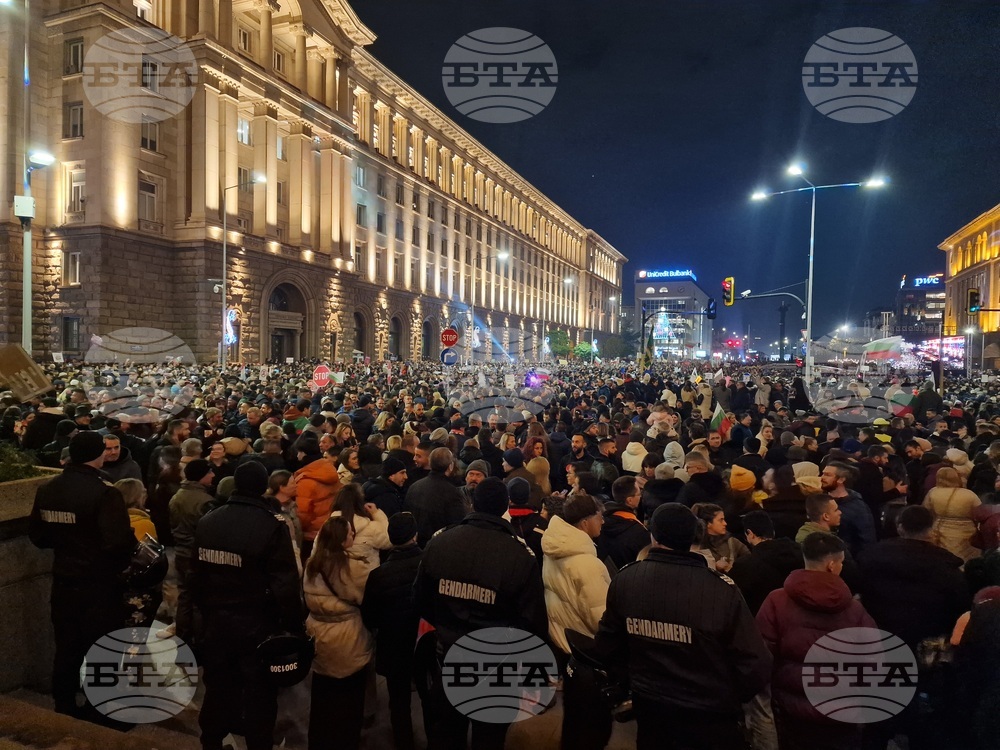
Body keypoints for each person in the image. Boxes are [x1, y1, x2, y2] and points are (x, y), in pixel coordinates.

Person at [594, 502, 772, 750]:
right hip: (709, 714)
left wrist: (632, 683)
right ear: (694, 536)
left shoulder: (626, 580)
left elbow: (607, 645)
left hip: (652, 708)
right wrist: (728, 698)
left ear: (654, 537)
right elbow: (755, 661)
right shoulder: (720, 589)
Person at [415, 477, 547, 750]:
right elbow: (532, 624)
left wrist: (447, 625)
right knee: (489, 739)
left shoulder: (440, 542)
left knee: (447, 736)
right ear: (505, 507)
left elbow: (421, 600)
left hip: (450, 657)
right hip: (496, 667)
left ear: (473, 504)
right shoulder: (520, 555)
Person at [190, 462, 305, 750]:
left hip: (216, 622)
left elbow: (195, 576)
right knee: (259, 694)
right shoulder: (271, 525)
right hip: (256, 626)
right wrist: (294, 627)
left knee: (217, 687)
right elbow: (285, 584)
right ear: (264, 486)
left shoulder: (209, 520)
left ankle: (211, 742)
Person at [29, 431, 135, 720]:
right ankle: (99, 710)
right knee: (103, 650)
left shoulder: (48, 489)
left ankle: (63, 705)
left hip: (64, 580)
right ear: (98, 455)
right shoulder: (105, 492)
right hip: (99, 585)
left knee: (66, 647)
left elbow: (38, 536)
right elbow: (117, 543)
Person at [858, 505, 971, 750]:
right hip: (925, 651)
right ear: (931, 530)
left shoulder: (870, 558)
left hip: (881, 643)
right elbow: (959, 611)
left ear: (900, 527)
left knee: (879, 710)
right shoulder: (948, 570)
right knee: (921, 715)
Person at [756, 532, 876, 750]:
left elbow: (761, 657)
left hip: (792, 714)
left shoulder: (776, 601)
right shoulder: (854, 610)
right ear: (831, 565)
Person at [541, 494, 612, 750]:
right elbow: (600, 619)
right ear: (584, 522)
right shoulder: (586, 563)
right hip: (588, 653)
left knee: (573, 721)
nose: (603, 521)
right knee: (592, 729)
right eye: (599, 517)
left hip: (566, 645)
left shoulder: (554, 547)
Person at [304, 515, 374, 750]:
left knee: (322, 696)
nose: (354, 535)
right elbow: (364, 597)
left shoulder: (312, 563)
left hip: (318, 635)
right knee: (349, 699)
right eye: (350, 533)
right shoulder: (350, 567)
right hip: (346, 638)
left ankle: (318, 741)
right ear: (342, 540)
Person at [361, 512, 425, 750]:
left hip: (394, 646)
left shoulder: (378, 575)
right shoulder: (428, 564)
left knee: (398, 702)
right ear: (415, 536)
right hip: (423, 643)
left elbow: (370, 616)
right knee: (429, 697)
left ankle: (404, 741)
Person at [168, 458, 216, 641]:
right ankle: (197, 641)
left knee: (185, 597)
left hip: (180, 552)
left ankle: (182, 638)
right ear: (200, 476)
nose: (213, 475)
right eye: (209, 472)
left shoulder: (177, 496)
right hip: (196, 555)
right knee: (199, 601)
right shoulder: (204, 501)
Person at [729, 510, 803, 616]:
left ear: (750, 533)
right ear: (772, 531)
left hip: (763, 619)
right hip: (797, 616)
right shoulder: (799, 553)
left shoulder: (745, 565)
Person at [405, 446, 468, 547]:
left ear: (430, 463)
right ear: (450, 466)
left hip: (415, 545)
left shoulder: (414, 486)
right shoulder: (453, 493)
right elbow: (457, 525)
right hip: (439, 546)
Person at [924, 466, 982, 562]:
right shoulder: (969, 494)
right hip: (966, 534)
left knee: (943, 560)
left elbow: (926, 511)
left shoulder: (933, 492)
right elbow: (980, 514)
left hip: (939, 532)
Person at [295, 445, 343, 561]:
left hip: (311, 535)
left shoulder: (306, 482)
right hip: (331, 528)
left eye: (299, 452)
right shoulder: (330, 472)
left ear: (304, 455)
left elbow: (303, 514)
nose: (297, 455)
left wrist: (298, 528)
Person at [819, 462, 876, 558]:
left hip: (845, 559)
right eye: (823, 473)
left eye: (827, 475)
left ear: (841, 479)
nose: (822, 478)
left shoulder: (858, 507)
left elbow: (867, 539)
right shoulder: (819, 500)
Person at [596, 475, 649, 569]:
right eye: (639, 494)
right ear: (630, 500)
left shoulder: (601, 522)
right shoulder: (638, 531)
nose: (641, 496)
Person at [692, 502, 749, 573]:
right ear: (708, 523)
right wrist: (714, 566)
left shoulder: (732, 542)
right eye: (721, 520)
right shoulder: (695, 547)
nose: (725, 523)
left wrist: (731, 568)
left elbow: (749, 562)